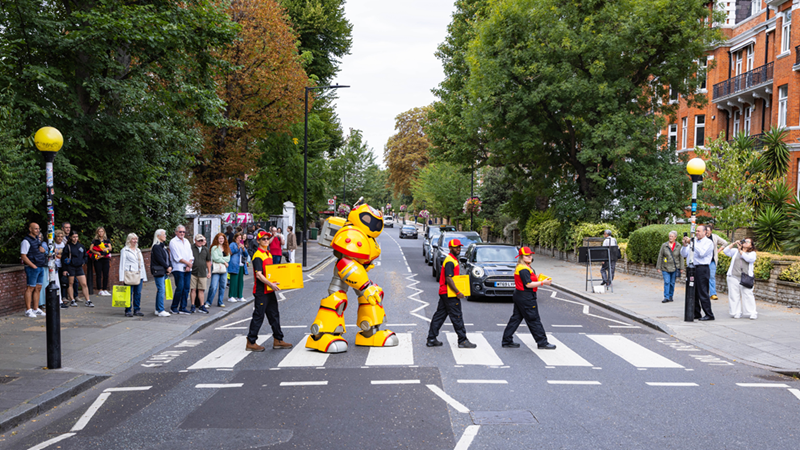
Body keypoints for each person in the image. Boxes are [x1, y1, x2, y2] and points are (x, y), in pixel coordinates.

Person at [501, 247, 556, 349]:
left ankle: (506, 340)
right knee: (534, 319)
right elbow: (528, 284)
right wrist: (543, 282)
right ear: (521, 257)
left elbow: (528, 280)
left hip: (520, 295)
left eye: (530, 255)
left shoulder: (525, 267)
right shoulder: (523, 269)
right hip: (526, 296)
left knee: (516, 318)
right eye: (527, 255)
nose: (530, 257)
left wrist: (537, 276)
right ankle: (542, 342)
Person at [246, 231, 292, 351]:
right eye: (263, 239)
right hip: (261, 291)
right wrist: (271, 284)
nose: (266, 240)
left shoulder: (268, 254)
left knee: (274, 315)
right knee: (258, 316)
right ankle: (251, 342)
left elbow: (272, 272)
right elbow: (259, 275)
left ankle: (278, 339)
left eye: (267, 238)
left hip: (269, 290)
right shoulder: (258, 256)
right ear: (258, 241)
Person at [426, 239, 476, 349]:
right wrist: (458, 292)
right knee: (457, 316)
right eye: (456, 247)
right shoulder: (450, 261)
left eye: (459, 247)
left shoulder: (452, 259)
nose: (458, 248)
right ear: (450, 248)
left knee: (439, 316)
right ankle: (462, 340)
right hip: (450, 293)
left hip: (445, 292)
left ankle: (431, 338)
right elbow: (449, 278)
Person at [681, 225, 715, 321]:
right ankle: (696, 313)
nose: (697, 233)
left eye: (699, 231)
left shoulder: (708, 243)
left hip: (702, 268)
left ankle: (709, 314)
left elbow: (702, 253)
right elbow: (684, 254)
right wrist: (684, 245)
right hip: (692, 268)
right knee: (693, 291)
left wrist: (692, 243)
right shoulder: (693, 241)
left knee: (702, 292)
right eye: (696, 231)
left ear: (705, 232)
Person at [722, 238, 758, 319]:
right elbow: (726, 251)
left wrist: (741, 251)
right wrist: (734, 243)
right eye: (744, 241)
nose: (745, 242)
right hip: (733, 276)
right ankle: (736, 312)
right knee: (734, 295)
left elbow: (749, 259)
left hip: (746, 277)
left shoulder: (752, 253)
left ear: (751, 245)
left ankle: (752, 312)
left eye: (748, 241)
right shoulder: (735, 251)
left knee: (748, 294)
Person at [20, 222, 47, 317]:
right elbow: (23, 256)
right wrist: (33, 265)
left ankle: (35, 308)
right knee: (30, 288)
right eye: (35, 228)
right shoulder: (26, 241)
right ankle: (28, 309)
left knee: (38, 288)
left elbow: (38, 250)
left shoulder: (36, 239)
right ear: (30, 229)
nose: (38, 230)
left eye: (38, 228)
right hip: (33, 267)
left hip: (40, 266)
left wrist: (43, 251)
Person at [63, 232, 94, 307]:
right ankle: (72, 300)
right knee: (71, 283)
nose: (75, 238)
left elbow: (85, 256)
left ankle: (88, 300)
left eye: (76, 237)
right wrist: (65, 269)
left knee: (84, 284)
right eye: (74, 237)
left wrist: (84, 262)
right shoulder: (68, 247)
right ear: (70, 237)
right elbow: (64, 258)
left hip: (79, 267)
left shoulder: (81, 246)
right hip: (71, 267)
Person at [119, 233, 147, 317]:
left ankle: (137, 309)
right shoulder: (125, 250)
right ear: (129, 240)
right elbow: (122, 264)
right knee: (129, 293)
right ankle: (128, 310)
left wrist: (144, 276)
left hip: (139, 275)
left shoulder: (138, 250)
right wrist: (122, 277)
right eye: (133, 239)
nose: (135, 241)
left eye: (136, 239)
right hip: (129, 274)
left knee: (138, 293)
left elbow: (141, 264)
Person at [169, 225, 193, 314]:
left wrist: (189, 265)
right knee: (180, 287)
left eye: (183, 232)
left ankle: (183, 307)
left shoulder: (186, 241)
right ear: (176, 232)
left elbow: (191, 254)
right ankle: (174, 307)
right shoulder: (173, 242)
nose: (182, 233)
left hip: (187, 268)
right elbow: (177, 257)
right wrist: (188, 263)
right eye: (180, 232)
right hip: (178, 268)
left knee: (186, 288)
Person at [656, 231, 684, 303]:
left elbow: (681, 257)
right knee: (667, 282)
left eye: (672, 236)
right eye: (670, 236)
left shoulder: (678, 246)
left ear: (675, 237)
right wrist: (658, 267)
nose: (670, 238)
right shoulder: (664, 245)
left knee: (672, 283)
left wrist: (681, 268)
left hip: (675, 267)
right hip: (665, 267)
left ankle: (671, 296)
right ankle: (666, 297)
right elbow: (660, 256)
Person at [150, 229, 172, 317]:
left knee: (161, 290)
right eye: (164, 234)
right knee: (161, 290)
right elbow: (160, 259)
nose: (165, 236)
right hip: (159, 271)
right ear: (158, 236)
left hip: (164, 270)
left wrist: (169, 267)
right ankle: (160, 310)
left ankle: (157, 309)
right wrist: (167, 267)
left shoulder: (163, 247)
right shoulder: (156, 247)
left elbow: (167, 258)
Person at [207, 233, 231, 308]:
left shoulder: (226, 247)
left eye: (222, 238)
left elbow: (228, 258)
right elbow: (215, 258)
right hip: (216, 268)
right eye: (220, 238)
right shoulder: (214, 247)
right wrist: (224, 261)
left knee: (223, 286)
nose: (221, 240)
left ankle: (220, 302)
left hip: (224, 269)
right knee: (213, 286)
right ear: (217, 239)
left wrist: (222, 260)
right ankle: (208, 302)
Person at [189, 234, 211, 313]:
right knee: (193, 289)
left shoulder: (205, 249)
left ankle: (201, 305)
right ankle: (192, 305)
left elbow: (208, 261)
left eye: (202, 240)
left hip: (202, 272)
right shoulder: (191, 248)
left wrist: (209, 272)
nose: (200, 242)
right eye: (199, 240)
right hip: (193, 272)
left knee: (201, 289)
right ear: (195, 240)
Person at [707, 224, 728, 300]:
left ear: (711, 231)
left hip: (712, 261)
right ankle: (705, 293)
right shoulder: (702, 238)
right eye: (706, 231)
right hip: (704, 261)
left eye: (708, 231)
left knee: (711, 277)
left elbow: (725, 243)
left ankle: (713, 293)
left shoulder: (714, 237)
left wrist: (718, 250)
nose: (707, 232)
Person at [90, 227, 112, 296]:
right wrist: (97, 253)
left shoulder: (106, 240)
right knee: (98, 274)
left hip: (105, 259)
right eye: (99, 231)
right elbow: (91, 249)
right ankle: (100, 289)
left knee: (106, 274)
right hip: (98, 259)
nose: (101, 233)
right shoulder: (95, 240)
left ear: (104, 232)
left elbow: (110, 248)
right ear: (97, 232)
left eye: (102, 231)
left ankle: (105, 289)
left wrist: (107, 248)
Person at [227, 232, 249, 303]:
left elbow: (246, 255)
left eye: (241, 238)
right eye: (238, 238)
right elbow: (230, 252)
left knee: (240, 282)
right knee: (233, 282)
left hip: (241, 265)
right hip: (234, 265)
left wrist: (243, 248)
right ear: (235, 238)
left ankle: (240, 296)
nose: (240, 239)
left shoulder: (242, 245)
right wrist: (237, 248)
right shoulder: (232, 244)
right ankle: (231, 296)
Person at [62, 222, 80, 298]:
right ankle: (64, 297)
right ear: (62, 228)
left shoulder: (72, 237)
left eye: (69, 227)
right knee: (64, 281)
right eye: (66, 227)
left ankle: (75, 296)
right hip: (64, 263)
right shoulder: (60, 237)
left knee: (75, 281)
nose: (68, 229)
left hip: (72, 264)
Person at [53, 230, 70, 308]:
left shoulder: (64, 245)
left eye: (61, 237)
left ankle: (63, 298)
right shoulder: (53, 245)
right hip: (55, 266)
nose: (60, 238)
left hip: (62, 265)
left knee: (63, 282)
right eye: (58, 236)